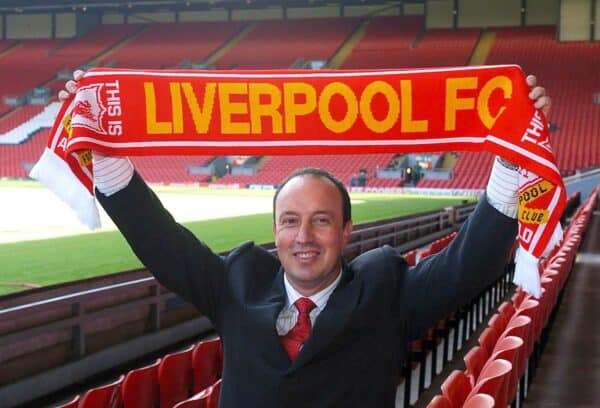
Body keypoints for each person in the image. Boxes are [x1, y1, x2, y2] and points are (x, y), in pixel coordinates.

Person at [59, 72, 550, 407]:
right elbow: (161, 242)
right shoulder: (237, 285)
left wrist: (513, 153)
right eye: (290, 220)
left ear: (345, 231)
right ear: (275, 230)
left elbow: (470, 263)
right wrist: (98, 146)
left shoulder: (386, 292)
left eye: (321, 220)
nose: (304, 237)